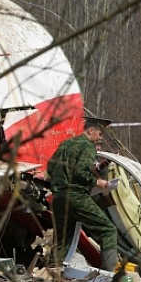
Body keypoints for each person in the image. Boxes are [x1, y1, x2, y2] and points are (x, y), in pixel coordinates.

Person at [47, 115, 118, 271]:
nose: (100, 138)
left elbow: (50, 168)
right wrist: (97, 182)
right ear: (90, 130)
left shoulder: (65, 144)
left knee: (62, 239)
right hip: (76, 196)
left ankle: (53, 272)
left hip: (58, 198)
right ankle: (111, 275)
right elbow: (80, 172)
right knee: (108, 230)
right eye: (100, 134)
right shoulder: (87, 146)